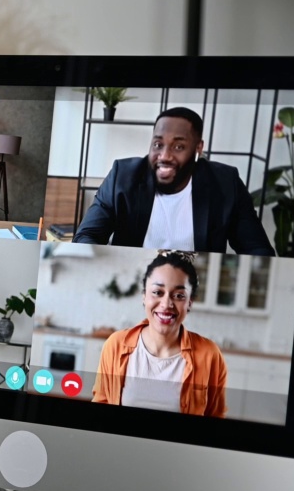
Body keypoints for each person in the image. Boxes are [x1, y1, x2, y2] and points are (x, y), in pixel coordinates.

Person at [73, 107, 276, 256]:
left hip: (193, 287)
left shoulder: (225, 184)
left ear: (198, 148)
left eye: (178, 147)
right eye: (158, 144)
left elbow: (257, 250)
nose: (164, 156)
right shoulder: (123, 176)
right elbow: (86, 237)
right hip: (134, 281)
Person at [92, 252, 228, 417]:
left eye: (179, 295)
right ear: (144, 297)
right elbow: (100, 405)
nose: (166, 304)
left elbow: (216, 417)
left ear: (189, 303)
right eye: (157, 292)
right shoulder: (115, 345)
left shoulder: (209, 354)